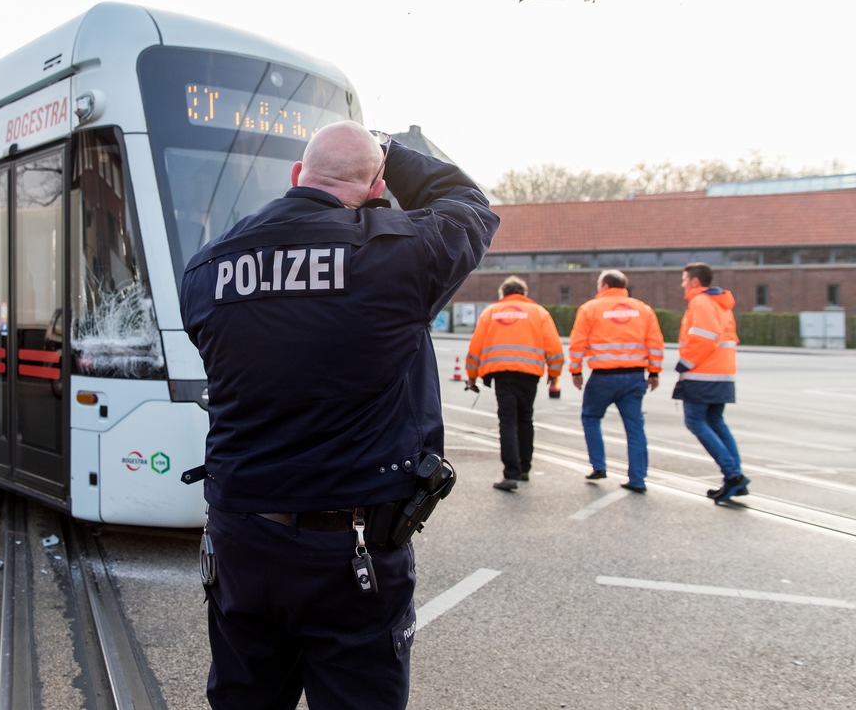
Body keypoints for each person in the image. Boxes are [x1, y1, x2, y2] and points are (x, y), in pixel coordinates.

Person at [180, 120, 498, 710]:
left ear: (297, 175)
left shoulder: (207, 268)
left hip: (241, 538)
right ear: (378, 188)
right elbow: (467, 204)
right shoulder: (398, 255)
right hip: (349, 550)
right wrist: (394, 152)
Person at [465, 276, 564, 491]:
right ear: (524, 294)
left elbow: (475, 348)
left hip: (502, 374)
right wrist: (554, 374)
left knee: (507, 421)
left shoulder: (490, 313)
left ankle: (510, 473)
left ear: (503, 293)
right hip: (529, 374)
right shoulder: (539, 313)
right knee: (525, 418)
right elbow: (555, 347)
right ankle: (524, 468)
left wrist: (471, 375)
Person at [568, 269, 664, 493]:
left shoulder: (590, 308)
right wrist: (655, 372)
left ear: (604, 286)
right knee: (634, 428)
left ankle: (599, 466)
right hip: (634, 377)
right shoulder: (643, 310)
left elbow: (578, 341)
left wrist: (576, 370)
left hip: (603, 377)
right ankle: (638, 479)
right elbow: (655, 342)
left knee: (591, 417)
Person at [674, 262, 750, 502]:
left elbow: (704, 337)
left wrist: (684, 363)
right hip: (722, 373)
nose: (683, 284)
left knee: (695, 422)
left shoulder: (700, 302)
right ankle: (734, 478)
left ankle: (733, 475)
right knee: (716, 422)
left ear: (695, 282)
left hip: (702, 374)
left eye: (685, 279)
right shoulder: (721, 303)